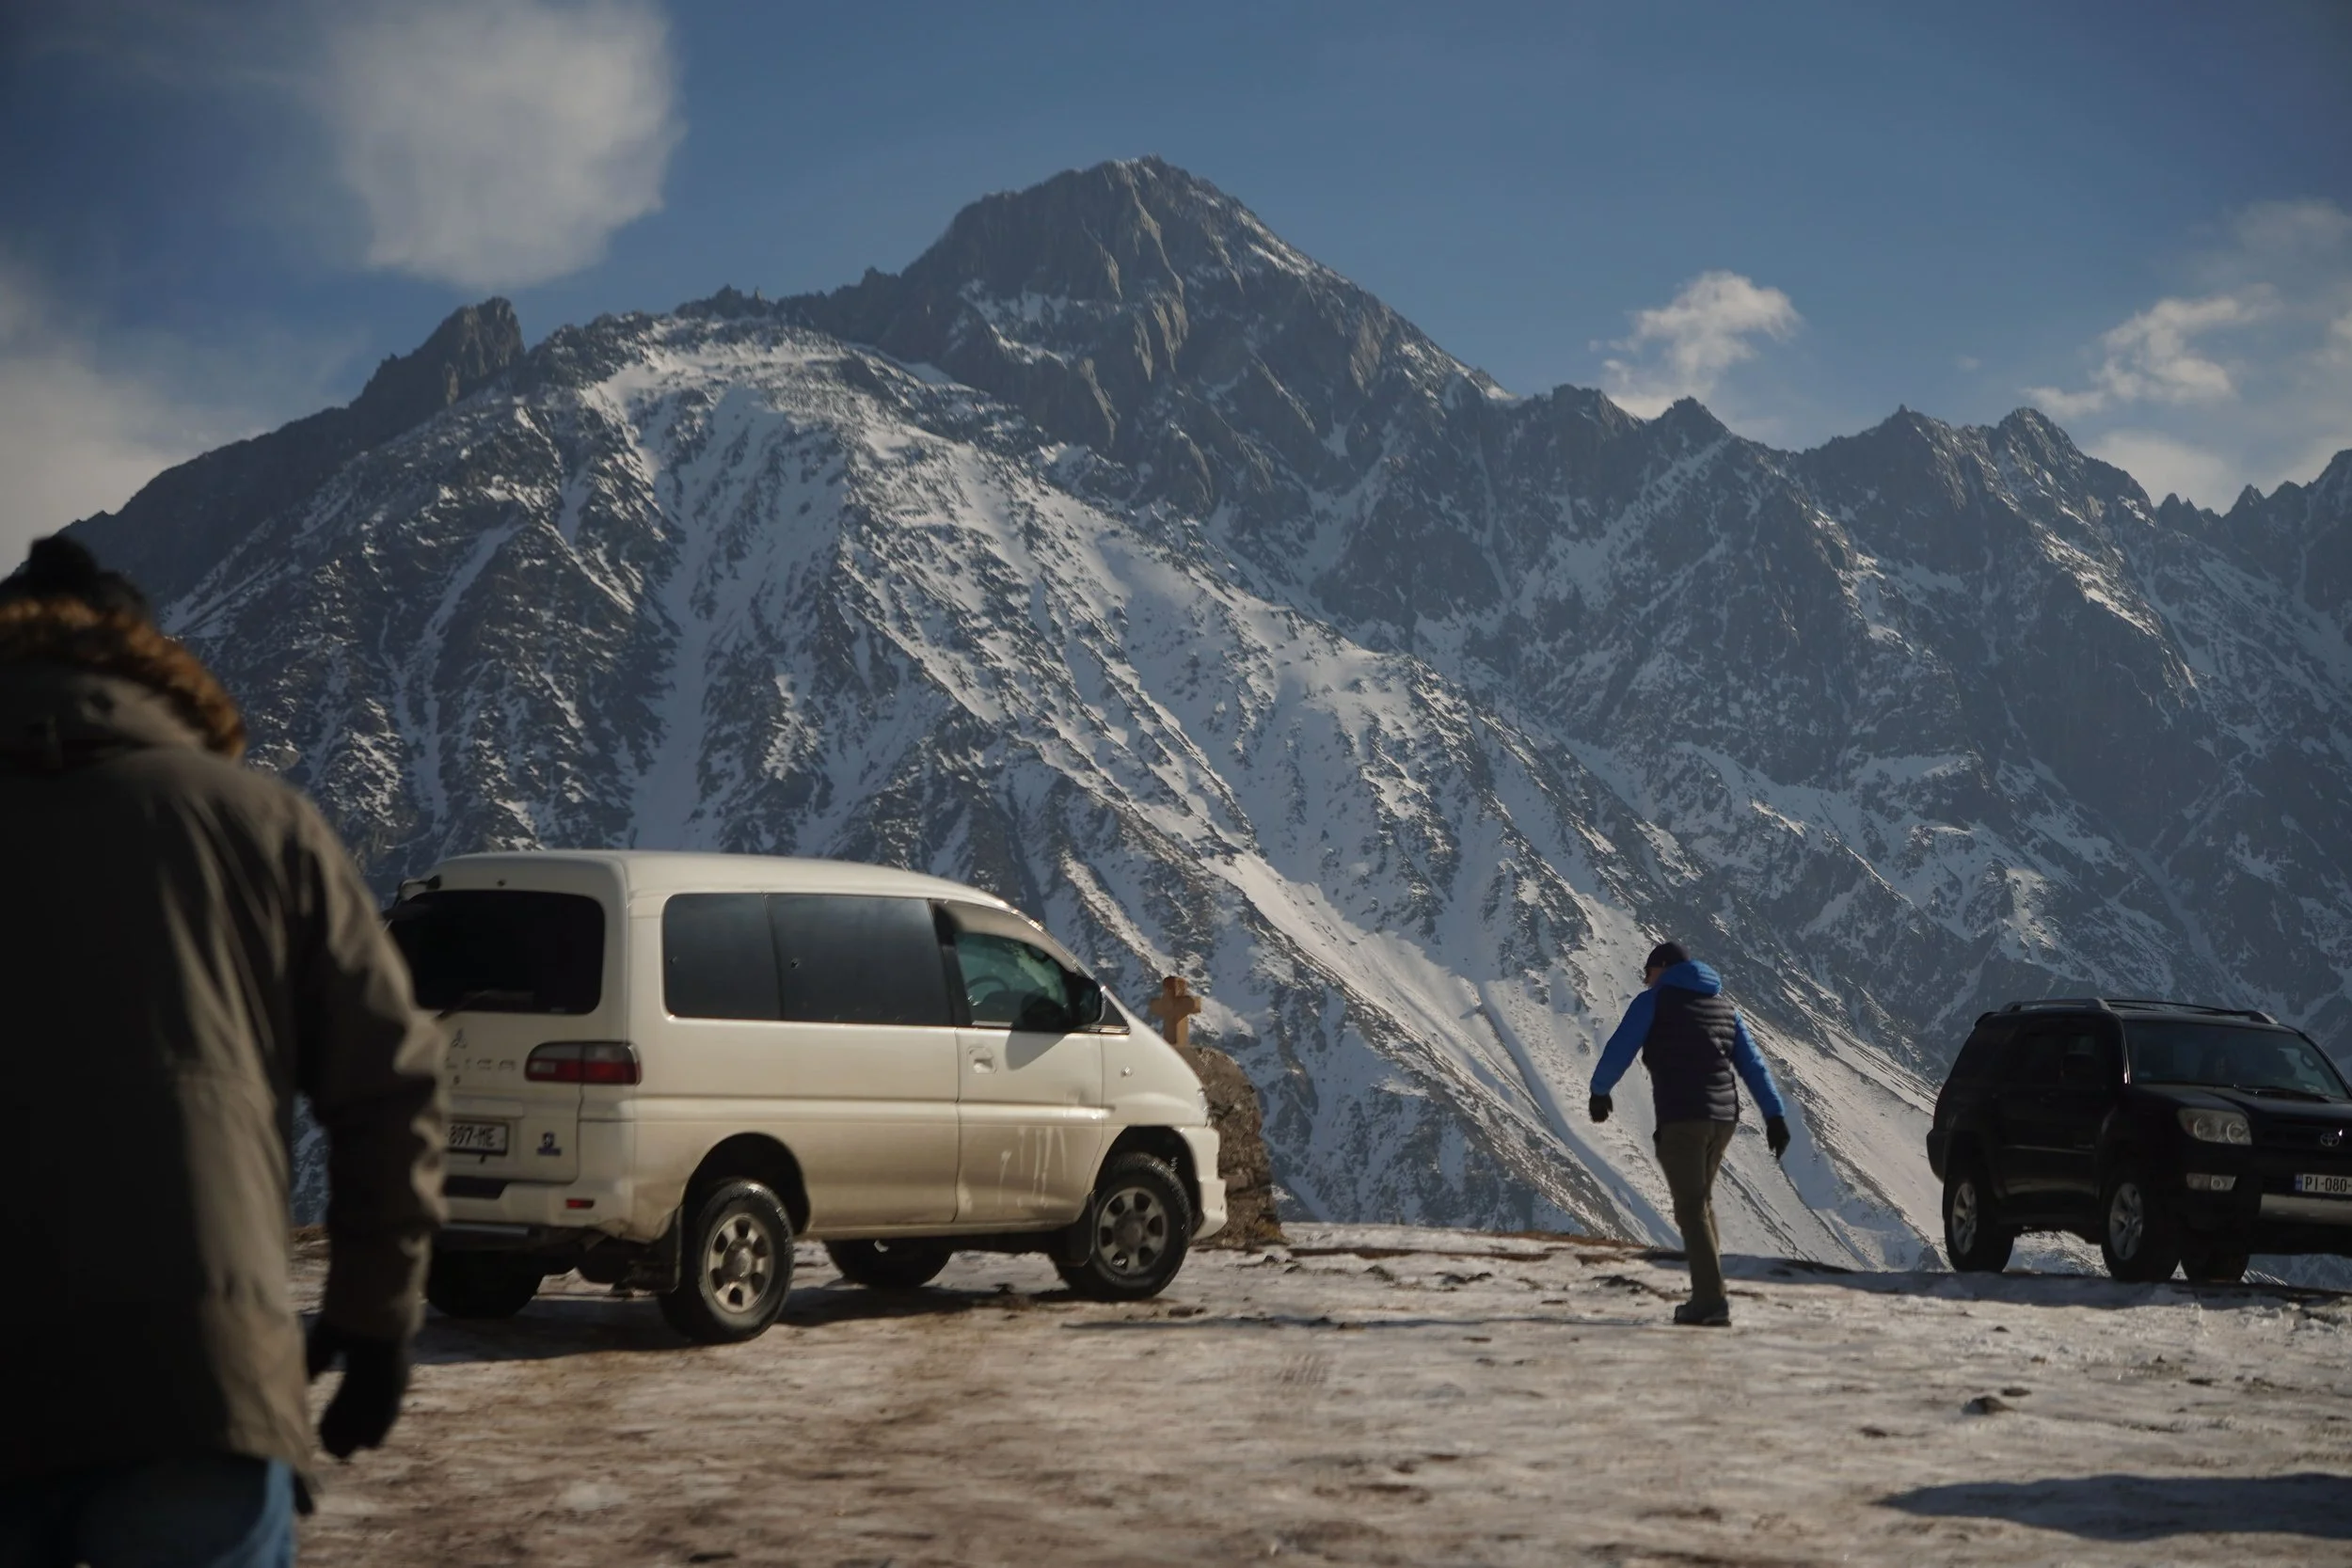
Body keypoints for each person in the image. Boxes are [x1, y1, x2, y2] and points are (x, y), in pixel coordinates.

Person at [0, 537, 446, 1566]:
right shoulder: (261, 824)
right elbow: (393, 1080)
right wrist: (373, 1315)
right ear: (148, 663)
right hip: (198, 1381)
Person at [1588, 941, 1791, 1327]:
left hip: (1683, 1117)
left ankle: (1710, 1303)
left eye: (1648, 973)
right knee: (1701, 1202)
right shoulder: (1724, 1009)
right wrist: (1774, 1115)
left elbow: (1621, 1048)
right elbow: (1753, 1066)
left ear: (1662, 969)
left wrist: (1600, 1092)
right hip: (1723, 1120)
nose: (1646, 982)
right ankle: (1710, 1294)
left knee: (1691, 1208)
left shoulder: (1655, 1002)